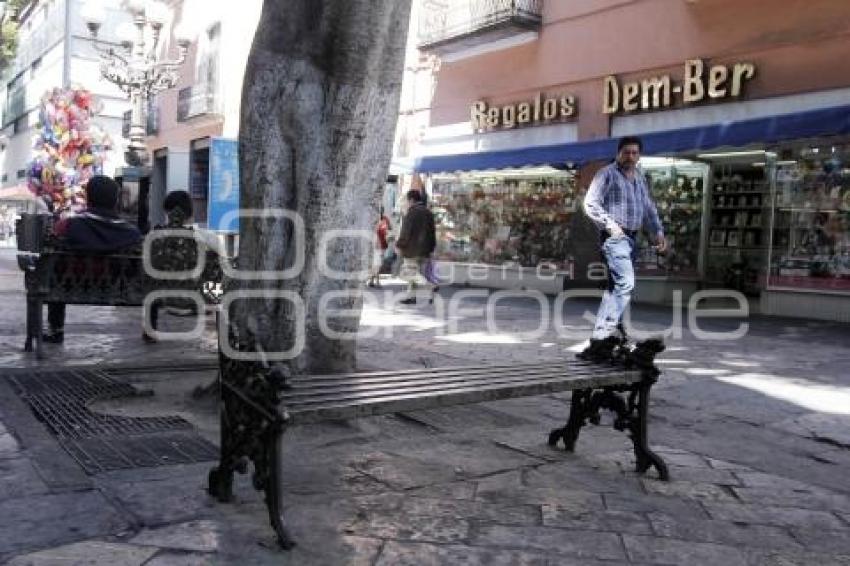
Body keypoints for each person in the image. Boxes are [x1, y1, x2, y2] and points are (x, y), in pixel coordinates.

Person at [579, 136, 667, 359]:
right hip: (615, 238)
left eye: (635, 153)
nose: (630, 156)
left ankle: (600, 340)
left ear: (639, 156)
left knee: (614, 289)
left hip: (632, 238)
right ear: (618, 153)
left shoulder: (639, 177)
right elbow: (590, 203)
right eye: (626, 152)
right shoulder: (607, 173)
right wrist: (610, 225)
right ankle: (605, 334)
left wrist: (657, 232)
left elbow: (648, 208)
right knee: (625, 283)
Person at [44, 175, 143, 343]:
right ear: (115, 201)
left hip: (68, 286)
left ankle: (56, 329)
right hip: (117, 287)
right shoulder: (132, 233)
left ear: (88, 198)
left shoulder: (67, 225)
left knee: (57, 268)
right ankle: (151, 330)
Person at [143, 190, 225, 343]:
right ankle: (223, 336)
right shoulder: (208, 237)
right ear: (191, 212)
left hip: (162, 296)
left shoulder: (154, 237)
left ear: (167, 211)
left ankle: (149, 330)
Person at [396, 189, 437, 305]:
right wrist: (432, 247)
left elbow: (405, 232)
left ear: (412, 200)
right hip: (425, 250)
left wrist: (399, 245)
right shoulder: (428, 213)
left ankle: (430, 285)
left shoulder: (411, 213)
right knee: (416, 273)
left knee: (409, 273)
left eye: (407, 200)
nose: (407, 203)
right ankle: (411, 297)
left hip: (412, 250)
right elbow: (432, 232)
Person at [367, 208, 392, 288]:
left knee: (378, 263)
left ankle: (372, 280)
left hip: (382, 245)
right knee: (376, 263)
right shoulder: (373, 220)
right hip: (375, 245)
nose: (380, 213)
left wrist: (388, 233)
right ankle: (376, 281)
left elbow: (390, 229)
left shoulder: (385, 219)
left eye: (381, 211)